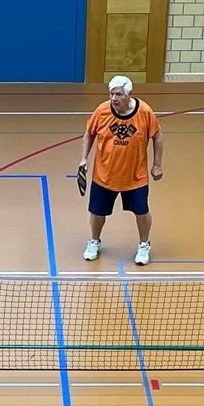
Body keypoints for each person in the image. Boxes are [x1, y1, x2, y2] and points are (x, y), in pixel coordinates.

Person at [79, 75, 164, 266]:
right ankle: (94, 241)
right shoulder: (101, 111)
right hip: (104, 175)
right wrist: (84, 158)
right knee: (97, 212)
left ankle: (144, 245)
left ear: (128, 94)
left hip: (135, 177)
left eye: (118, 94)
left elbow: (157, 137)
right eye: (111, 94)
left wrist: (157, 165)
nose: (114, 98)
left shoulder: (145, 112)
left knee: (142, 212)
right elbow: (89, 134)